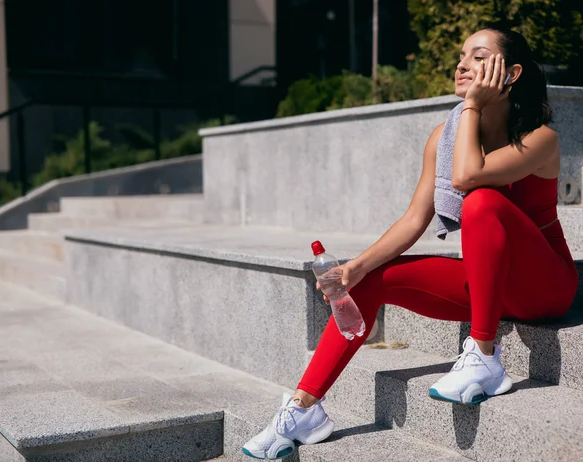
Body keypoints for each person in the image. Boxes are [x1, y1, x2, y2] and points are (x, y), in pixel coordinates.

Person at [242, 26, 579, 460]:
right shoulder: (446, 137)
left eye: (478, 57)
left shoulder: (540, 138)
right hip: (491, 286)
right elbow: (414, 220)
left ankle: (483, 354)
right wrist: (354, 268)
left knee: (480, 203)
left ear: (510, 73)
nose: (461, 65)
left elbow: (467, 179)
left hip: (545, 286)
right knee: (373, 278)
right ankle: (303, 410)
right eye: (461, 55)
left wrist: (472, 105)